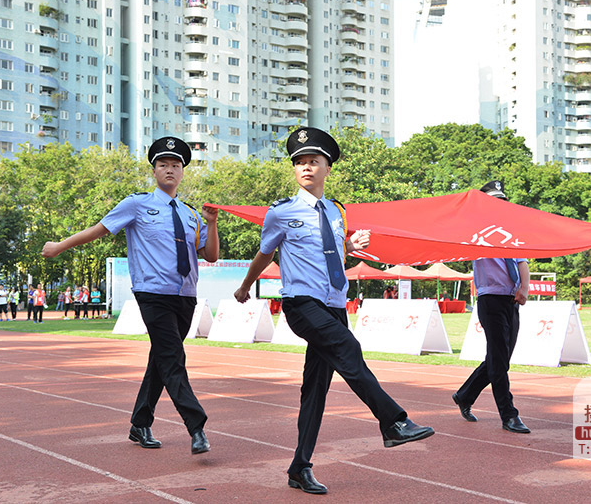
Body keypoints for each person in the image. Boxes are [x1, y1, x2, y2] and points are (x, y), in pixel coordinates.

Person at [234, 127, 434, 495]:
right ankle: (393, 421)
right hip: (302, 303)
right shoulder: (281, 212)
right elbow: (265, 253)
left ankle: (299, 467)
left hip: (334, 304)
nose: (306, 167)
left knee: (315, 390)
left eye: (313, 161)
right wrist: (246, 285)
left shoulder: (337, 211)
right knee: (348, 348)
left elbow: (331, 253)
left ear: (327, 168)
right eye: (299, 162)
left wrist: (350, 245)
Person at [42, 136, 219, 455]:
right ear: (154, 171)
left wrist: (212, 223)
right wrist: (60, 246)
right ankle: (196, 426)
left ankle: (140, 423)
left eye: (175, 165)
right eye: (163, 164)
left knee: (161, 360)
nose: (169, 169)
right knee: (173, 358)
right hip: (153, 293)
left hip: (185, 295)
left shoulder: (191, 215)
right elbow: (98, 230)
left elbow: (210, 255)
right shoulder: (136, 204)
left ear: (182, 172)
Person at [452, 181, 531, 434]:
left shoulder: (511, 230)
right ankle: (509, 415)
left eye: (502, 201)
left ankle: (465, 395)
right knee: (498, 360)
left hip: (512, 299)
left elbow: (522, 262)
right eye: (494, 202)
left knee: (500, 359)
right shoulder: (475, 231)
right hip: (490, 299)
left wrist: (524, 288)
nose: (500, 206)